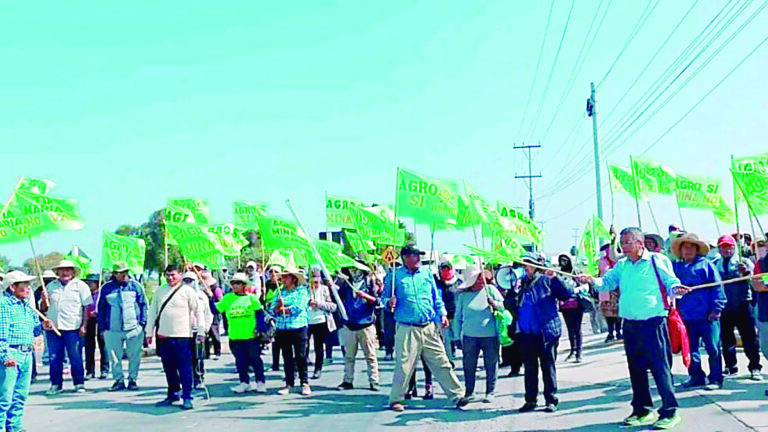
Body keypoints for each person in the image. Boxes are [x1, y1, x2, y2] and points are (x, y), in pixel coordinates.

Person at [579, 227, 684, 430]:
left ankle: (669, 411)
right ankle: (642, 409)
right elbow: (606, 283)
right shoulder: (622, 265)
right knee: (636, 368)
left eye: (627, 242)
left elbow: (671, 282)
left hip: (653, 322)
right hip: (630, 324)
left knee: (660, 367)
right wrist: (591, 280)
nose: (623, 247)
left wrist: (676, 289)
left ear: (639, 243)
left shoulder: (656, 260)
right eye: (622, 242)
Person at [382, 245, 468, 412]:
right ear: (405, 258)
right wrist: (388, 302)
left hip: (429, 327)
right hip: (407, 328)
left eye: (418, 255)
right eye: (414, 255)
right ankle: (396, 400)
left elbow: (436, 297)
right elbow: (382, 298)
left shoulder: (427, 274)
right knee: (404, 366)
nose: (418, 258)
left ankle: (457, 396)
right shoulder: (394, 276)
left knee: (442, 362)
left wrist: (442, 314)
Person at [514, 253, 573, 414]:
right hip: (526, 332)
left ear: (535, 265)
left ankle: (551, 399)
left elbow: (567, 293)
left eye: (527, 264)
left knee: (548, 367)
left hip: (545, 332)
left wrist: (555, 278)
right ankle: (530, 400)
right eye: (522, 264)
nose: (524, 267)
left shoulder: (546, 279)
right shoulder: (520, 283)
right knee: (530, 368)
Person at [145, 265, 205, 410]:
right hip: (164, 336)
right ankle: (173, 393)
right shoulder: (160, 291)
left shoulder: (187, 291)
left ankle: (187, 396)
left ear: (180, 275)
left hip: (183, 336)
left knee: (185, 368)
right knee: (169, 368)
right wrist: (149, 332)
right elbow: (153, 312)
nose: (170, 278)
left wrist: (202, 331)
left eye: (173, 275)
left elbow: (199, 311)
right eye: (168, 275)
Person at [671, 233, 726, 390]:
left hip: (707, 315)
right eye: (685, 247)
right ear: (680, 251)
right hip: (686, 316)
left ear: (697, 249)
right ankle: (696, 377)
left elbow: (717, 286)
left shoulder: (706, 265)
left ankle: (716, 378)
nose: (688, 250)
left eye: (691, 247)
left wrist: (716, 308)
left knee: (713, 348)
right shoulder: (676, 268)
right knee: (691, 349)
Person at [0, 271, 51, 432]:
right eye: (25, 285)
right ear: (13, 287)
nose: (29, 288)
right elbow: (1, 334)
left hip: (27, 353)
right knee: (5, 397)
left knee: (20, 396)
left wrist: (44, 326)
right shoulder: (4, 305)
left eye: (29, 285)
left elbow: (35, 331)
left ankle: (15, 427)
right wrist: (5, 355)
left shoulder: (27, 306)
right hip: (11, 352)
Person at [711, 235, 763, 380]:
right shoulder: (715, 263)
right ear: (719, 248)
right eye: (723, 246)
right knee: (727, 339)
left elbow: (755, 281)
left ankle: (754, 367)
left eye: (729, 246)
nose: (727, 249)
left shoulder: (744, 261)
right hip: (725, 307)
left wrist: (746, 272)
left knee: (749, 338)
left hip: (743, 304)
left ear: (734, 247)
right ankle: (730, 367)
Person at [41, 260, 93, 395]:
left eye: (68, 270)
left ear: (73, 272)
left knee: (75, 356)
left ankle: (79, 383)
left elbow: (86, 307)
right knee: (54, 357)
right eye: (62, 270)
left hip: (73, 327)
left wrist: (84, 326)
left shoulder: (81, 286)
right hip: (54, 328)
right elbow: (43, 308)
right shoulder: (50, 286)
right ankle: (56, 384)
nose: (65, 272)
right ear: (57, 272)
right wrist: (43, 298)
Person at [455, 266, 504, 403]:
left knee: (491, 364)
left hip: (490, 336)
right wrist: (456, 336)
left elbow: (503, 307)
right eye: (477, 278)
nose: (481, 280)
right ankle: (469, 391)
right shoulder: (463, 297)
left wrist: (494, 303)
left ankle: (490, 391)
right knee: (469, 365)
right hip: (469, 336)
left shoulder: (491, 290)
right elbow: (458, 317)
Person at [98, 263, 148, 391]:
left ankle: (132, 379)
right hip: (112, 329)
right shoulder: (106, 288)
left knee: (134, 355)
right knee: (114, 356)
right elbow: (101, 308)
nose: (124, 274)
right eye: (121, 272)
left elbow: (143, 305)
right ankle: (118, 380)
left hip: (133, 328)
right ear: (114, 274)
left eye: (125, 271)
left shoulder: (136, 286)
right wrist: (103, 328)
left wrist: (142, 324)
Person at [215, 272, 266, 394]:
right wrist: (209, 295)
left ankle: (260, 382)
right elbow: (215, 310)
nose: (235, 285)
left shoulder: (251, 298)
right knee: (240, 361)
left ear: (244, 285)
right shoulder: (227, 298)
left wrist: (259, 329)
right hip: (235, 336)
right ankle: (244, 382)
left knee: (255, 360)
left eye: (238, 283)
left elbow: (260, 315)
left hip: (251, 336)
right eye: (233, 283)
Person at [335, 265, 381, 391]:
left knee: (370, 355)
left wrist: (365, 295)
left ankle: (374, 380)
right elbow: (337, 297)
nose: (354, 271)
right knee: (349, 356)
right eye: (351, 269)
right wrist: (331, 284)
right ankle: (347, 380)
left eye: (356, 269)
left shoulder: (370, 283)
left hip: (366, 325)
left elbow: (378, 301)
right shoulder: (346, 284)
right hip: (349, 325)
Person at [269, 265, 312, 396]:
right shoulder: (279, 292)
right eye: (282, 277)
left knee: (300, 355)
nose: (283, 279)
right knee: (286, 356)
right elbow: (272, 310)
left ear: (294, 279)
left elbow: (298, 308)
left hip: (298, 327)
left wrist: (283, 309)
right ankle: (289, 383)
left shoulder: (302, 291)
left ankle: (304, 382)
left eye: (286, 277)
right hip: (283, 329)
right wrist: (278, 307)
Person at [182, 270, 213, 391]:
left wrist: (205, 330)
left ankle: (199, 379)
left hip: (198, 331)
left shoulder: (201, 296)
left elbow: (208, 314)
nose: (188, 283)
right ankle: (186, 380)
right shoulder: (179, 295)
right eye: (186, 281)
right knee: (184, 358)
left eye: (190, 281)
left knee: (198, 357)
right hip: (183, 331)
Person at [306, 268, 337, 379]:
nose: (316, 282)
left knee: (319, 346)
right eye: (313, 279)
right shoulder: (306, 290)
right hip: (307, 322)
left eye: (317, 279)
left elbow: (333, 306)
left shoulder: (324, 289)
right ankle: (301, 369)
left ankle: (317, 369)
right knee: (304, 346)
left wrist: (319, 304)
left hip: (321, 321)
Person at [556, 253, 585, 363]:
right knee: (570, 329)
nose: (563, 262)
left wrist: (574, 291)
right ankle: (572, 350)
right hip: (565, 306)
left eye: (565, 259)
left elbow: (584, 286)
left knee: (577, 329)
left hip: (576, 304)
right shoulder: (559, 273)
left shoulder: (575, 272)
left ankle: (579, 352)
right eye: (561, 260)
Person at [83, 273, 109, 380]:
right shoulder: (86, 295)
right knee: (89, 346)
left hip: (100, 320)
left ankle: (104, 369)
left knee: (103, 345)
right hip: (89, 321)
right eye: (88, 282)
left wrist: (98, 312)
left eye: (91, 282)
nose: (89, 285)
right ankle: (89, 371)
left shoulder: (102, 294)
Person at [435, 257, 461, 361]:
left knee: (457, 337)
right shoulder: (437, 283)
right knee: (446, 339)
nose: (445, 271)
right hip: (443, 316)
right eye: (443, 269)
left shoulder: (458, 283)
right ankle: (449, 360)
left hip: (456, 315)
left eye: (447, 268)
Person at [752, 239, 768, 395]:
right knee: (766, 348)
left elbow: (763, 285)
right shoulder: (761, 263)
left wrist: (766, 285)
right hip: (765, 312)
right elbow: (757, 285)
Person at [598, 243, 623, 342]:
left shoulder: (620, 261)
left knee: (618, 312)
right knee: (608, 313)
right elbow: (604, 272)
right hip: (607, 290)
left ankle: (618, 331)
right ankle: (610, 332)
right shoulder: (602, 261)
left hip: (618, 290)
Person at [200, 270, 223, 361]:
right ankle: (207, 352)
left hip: (214, 313)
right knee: (205, 332)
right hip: (205, 313)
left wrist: (212, 297)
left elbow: (221, 302)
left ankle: (217, 351)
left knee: (214, 333)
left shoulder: (216, 289)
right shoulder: (202, 290)